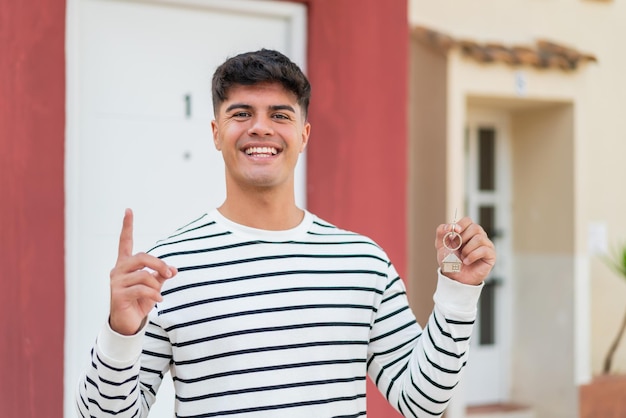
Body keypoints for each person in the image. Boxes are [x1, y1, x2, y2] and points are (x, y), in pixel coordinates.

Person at [76, 49, 496, 418]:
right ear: (216, 133)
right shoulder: (165, 271)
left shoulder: (361, 262)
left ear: (303, 135)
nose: (261, 128)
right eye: (241, 114)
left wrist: (457, 296)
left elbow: (421, 401)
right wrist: (120, 333)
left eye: (280, 115)